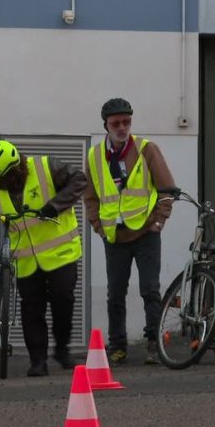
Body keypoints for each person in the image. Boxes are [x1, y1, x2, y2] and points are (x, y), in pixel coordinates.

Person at [0, 140, 87, 376]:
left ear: (14, 170)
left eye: (2, 179)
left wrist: (55, 206)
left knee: (62, 300)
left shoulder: (46, 168)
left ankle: (62, 350)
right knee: (31, 308)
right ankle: (38, 361)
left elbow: (79, 180)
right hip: (26, 259)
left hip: (61, 253)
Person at [83, 98, 176, 365]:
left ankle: (154, 344)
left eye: (126, 122)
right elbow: (90, 197)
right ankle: (118, 346)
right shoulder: (95, 156)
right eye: (116, 123)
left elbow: (167, 189)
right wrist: (98, 227)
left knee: (150, 290)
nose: (122, 127)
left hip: (146, 232)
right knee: (115, 294)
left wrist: (159, 222)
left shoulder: (147, 149)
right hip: (114, 235)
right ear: (106, 125)